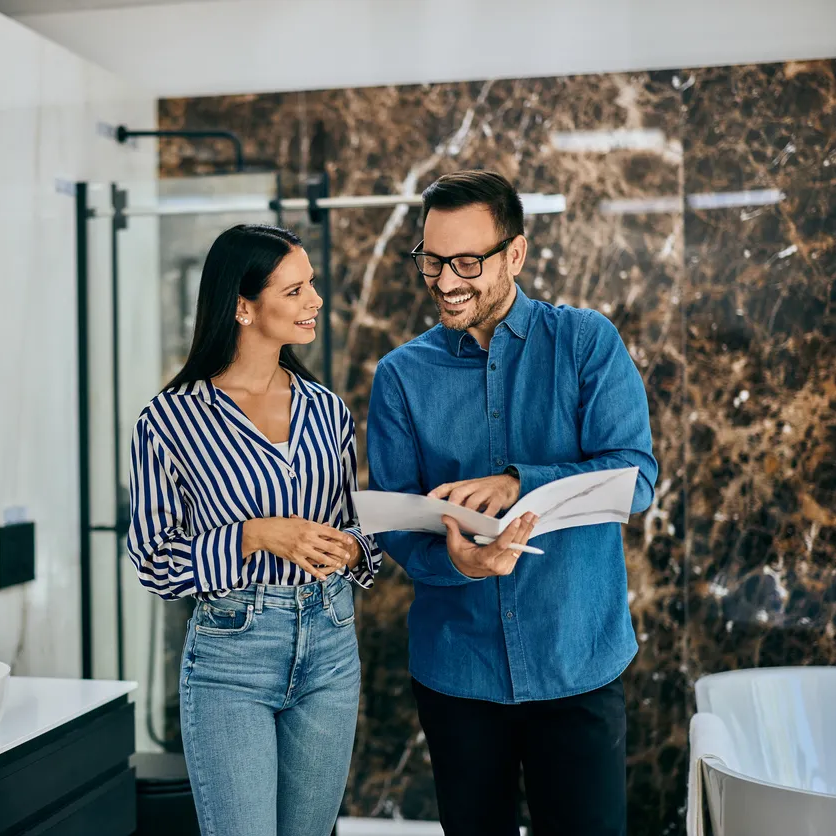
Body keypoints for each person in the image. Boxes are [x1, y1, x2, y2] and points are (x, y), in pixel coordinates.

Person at [367, 170, 658, 836]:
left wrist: (514, 482)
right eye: (431, 261)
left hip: (576, 663)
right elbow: (396, 525)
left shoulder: (584, 342)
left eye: (467, 261)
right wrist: (457, 564)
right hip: (456, 675)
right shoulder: (400, 377)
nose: (445, 281)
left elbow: (634, 479)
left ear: (515, 255)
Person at [127, 223, 381, 836]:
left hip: (331, 641)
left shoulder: (327, 410)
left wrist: (354, 547)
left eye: (311, 285)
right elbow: (152, 562)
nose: (314, 301)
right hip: (232, 655)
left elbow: (358, 526)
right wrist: (252, 535)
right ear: (243, 306)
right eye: (294, 291)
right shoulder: (170, 420)